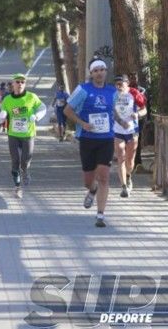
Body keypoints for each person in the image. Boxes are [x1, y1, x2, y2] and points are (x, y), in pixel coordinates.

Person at [64, 58, 117, 228]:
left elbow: (113, 110)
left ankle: (100, 215)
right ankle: (91, 190)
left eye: (102, 69)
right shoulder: (83, 90)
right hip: (87, 138)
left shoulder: (112, 91)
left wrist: (123, 122)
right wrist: (82, 123)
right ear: (91, 74)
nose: (99, 73)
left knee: (104, 176)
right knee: (88, 180)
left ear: (105, 72)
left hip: (106, 139)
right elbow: (67, 110)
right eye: (96, 70)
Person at [0, 73, 47, 198]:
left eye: (23, 82)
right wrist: (2, 117)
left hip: (28, 134)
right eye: (18, 82)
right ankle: (17, 187)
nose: (20, 84)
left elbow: (43, 107)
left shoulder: (31, 97)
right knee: (15, 160)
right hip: (13, 134)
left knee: (25, 161)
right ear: (13, 84)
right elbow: (4, 112)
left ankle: (26, 171)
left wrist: (37, 116)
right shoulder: (7, 99)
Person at [113, 74, 147, 197]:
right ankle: (124, 187)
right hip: (117, 130)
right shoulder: (113, 95)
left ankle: (128, 176)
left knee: (130, 161)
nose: (118, 86)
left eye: (120, 84)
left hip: (132, 130)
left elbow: (144, 109)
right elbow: (111, 111)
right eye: (116, 84)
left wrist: (137, 114)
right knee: (120, 157)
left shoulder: (134, 94)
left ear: (127, 83)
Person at [127, 72, 148, 172]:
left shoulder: (141, 90)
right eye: (131, 77)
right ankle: (127, 163)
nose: (133, 79)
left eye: (135, 77)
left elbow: (144, 105)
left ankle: (138, 163)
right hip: (125, 121)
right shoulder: (123, 90)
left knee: (137, 142)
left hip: (138, 120)